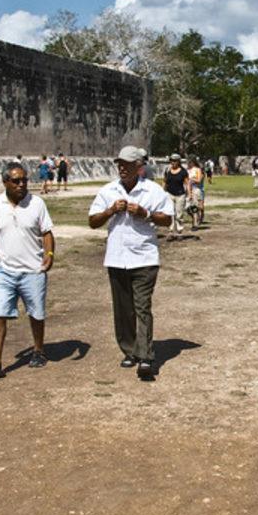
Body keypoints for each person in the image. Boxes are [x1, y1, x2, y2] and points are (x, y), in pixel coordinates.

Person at [88, 145, 173, 381]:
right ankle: (129, 350)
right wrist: (110, 211)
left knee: (142, 307)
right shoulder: (108, 191)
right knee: (123, 309)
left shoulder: (153, 191)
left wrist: (145, 213)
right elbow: (92, 221)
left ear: (139, 166)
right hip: (116, 258)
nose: (122, 168)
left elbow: (167, 219)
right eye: (119, 164)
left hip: (144, 257)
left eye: (127, 164)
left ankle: (146, 357)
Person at [0, 163, 55, 380]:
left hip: (33, 271)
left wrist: (48, 257)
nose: (22, 184)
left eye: (24, 180)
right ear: (5, 183)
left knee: (36, 313)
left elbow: (47, 232)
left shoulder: (37, 203)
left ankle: (38, 350)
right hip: (4, 271)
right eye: (16, 181)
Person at [161, 153, 189, 238]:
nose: (172, 162)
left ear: (178, 161)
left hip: (180, 195)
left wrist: (189, 194)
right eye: (171, 161)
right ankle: (170, 231)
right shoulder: (167, 170)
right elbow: (165, 181)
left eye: (174, 161)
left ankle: (179, 231)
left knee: (179, 214)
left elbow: (187, 183)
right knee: (170, 213)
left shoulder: (183, 171)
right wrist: (162, 192)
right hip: (170, 193)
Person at [187, 157, 205, 230]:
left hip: (196, 189)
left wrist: (192, 180)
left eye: (190, 162)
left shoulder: (198, 170)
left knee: (196, 207)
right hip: (188, 190)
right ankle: (196, 219)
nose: (189, 163)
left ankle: (195, 223)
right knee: (188, 208)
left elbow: (199, 180)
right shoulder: (188, 170)